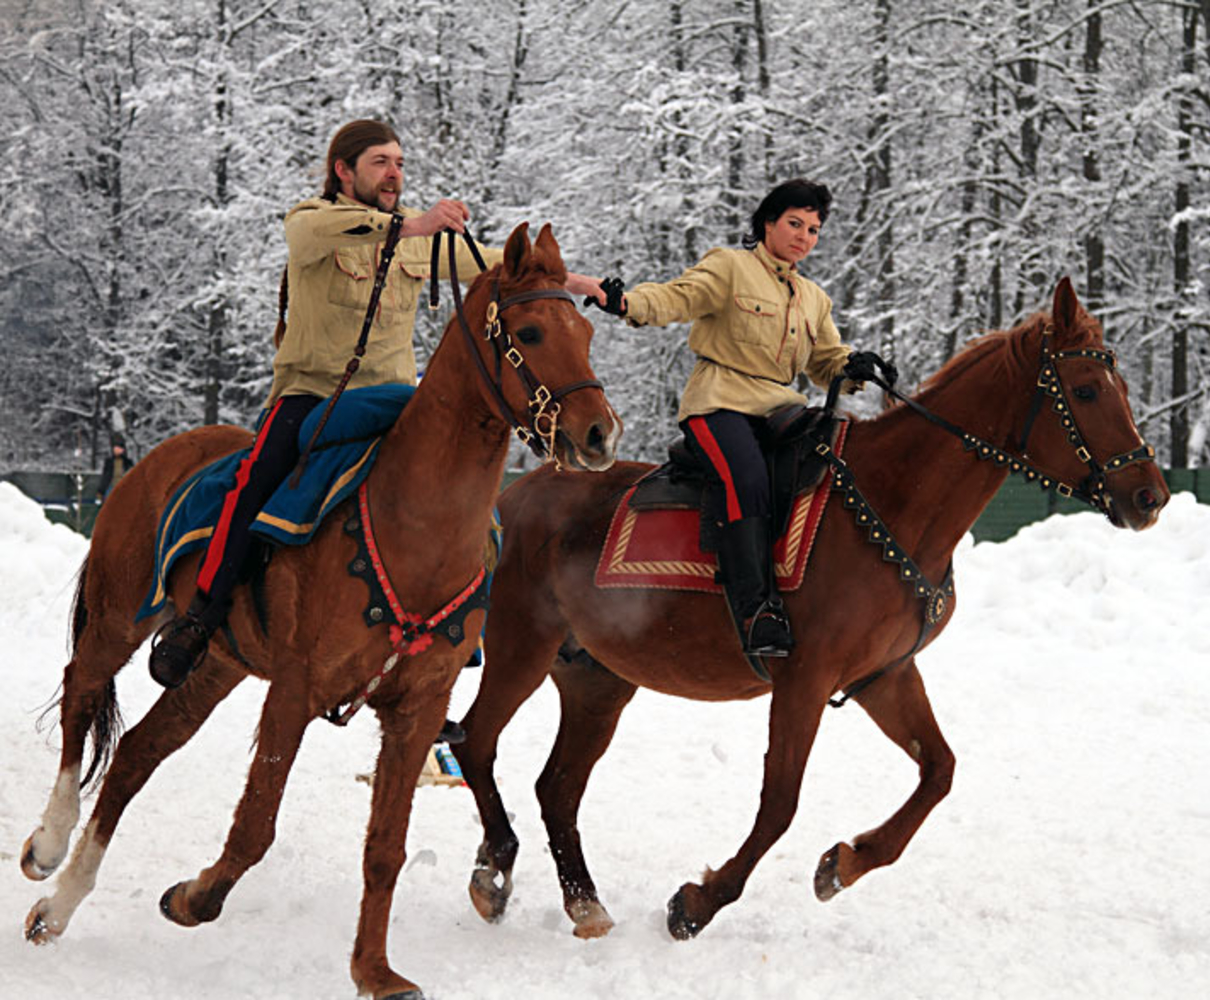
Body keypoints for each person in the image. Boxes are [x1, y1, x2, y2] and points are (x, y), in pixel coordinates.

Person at [149, 119, 603, 689]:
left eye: (399, 163)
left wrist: (572, 284)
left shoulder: (420, 241)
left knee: (476, 508)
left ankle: (451, 642)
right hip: (311, 396)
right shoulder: (311, 222)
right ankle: (201, 616)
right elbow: (337, 233)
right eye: (380, 162)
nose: (394, 173)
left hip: (395, 401)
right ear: (344, 170)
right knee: (256, 479)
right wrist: (414, 224)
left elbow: (494, 263)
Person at [588, 179, 894, 658]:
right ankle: (756, 611)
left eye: (813, 230)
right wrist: (625, 302)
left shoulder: (813, 298)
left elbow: (824, 363)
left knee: (830, 465)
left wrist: (854, 367)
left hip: (782, 409)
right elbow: (677, 298)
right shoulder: (730, 266)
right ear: (767, 223)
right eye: (795, 223)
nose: (804, 237)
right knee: (746, 477)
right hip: (720, 403)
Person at [95, 435, 134, 502]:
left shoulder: (128, 462)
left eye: (119, 449)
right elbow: (105, 477)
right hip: (111, 486)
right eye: (115, 449)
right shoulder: (109, 462)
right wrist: (100, 491)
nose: (117, 451)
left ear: (123, 450)